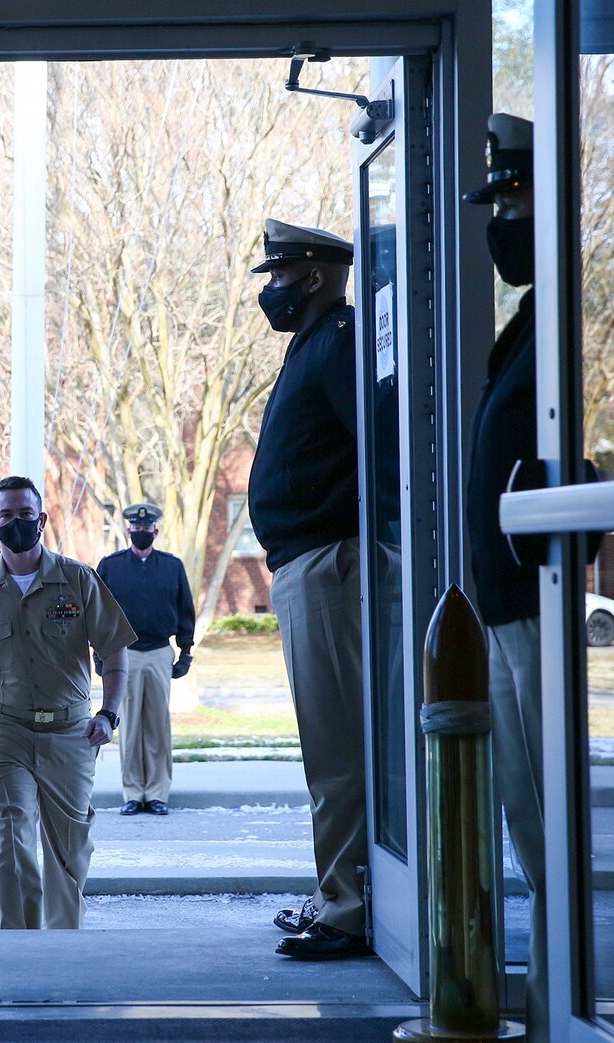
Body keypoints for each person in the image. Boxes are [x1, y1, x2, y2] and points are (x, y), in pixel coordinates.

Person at [0, 476, 136, 930]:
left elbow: (115, 650)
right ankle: (17, 950)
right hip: (3, 733)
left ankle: (64, 948)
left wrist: (110, 712)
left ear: (41, 520)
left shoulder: (78, 579)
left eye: (26, 514)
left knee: (69, 851)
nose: (17, 523)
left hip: (71, 734)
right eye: (7, 516)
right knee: (7, 840)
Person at [245, 218, 371, 960]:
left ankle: (348, 906)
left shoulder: (340, 339)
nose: (272, 290)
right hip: (309, 559)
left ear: (314, 277)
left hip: (331, 561)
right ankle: (339, 891)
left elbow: (376, 450)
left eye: (279, 276)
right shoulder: (316, 343)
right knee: (328, 743)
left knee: (337, 746)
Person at [463, 112, 547, 1038]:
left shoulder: (562, 316)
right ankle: (550, 986)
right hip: (506, 597)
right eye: (498, 201)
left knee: (541, 811)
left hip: (535, 595)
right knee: (521, 809)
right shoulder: (529, 319)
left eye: (515, 198)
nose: (501, 221)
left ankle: (561, 995)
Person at [96, 502, 196, 815]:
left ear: (156, 530)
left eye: (146, 528)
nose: (141, 532)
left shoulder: (172, 566)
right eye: (136, 529)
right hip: (122, 654)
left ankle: (157, 793)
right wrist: (100, 654)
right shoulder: (111, 566)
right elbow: (97, 612)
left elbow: (185, 610)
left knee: (157, 726)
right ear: (128, 531)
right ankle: (132, 793)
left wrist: (186, 650)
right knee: (128, 727)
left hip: (158, 653)